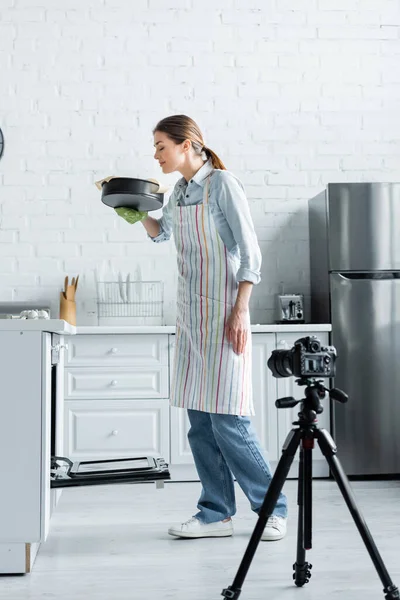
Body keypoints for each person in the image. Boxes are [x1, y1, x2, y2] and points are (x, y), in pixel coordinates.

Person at [141, 114, 288, 540]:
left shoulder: (222, 184)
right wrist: (130, 211)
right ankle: (216, 512)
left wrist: (241, 310)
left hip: (225, 315)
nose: (156, 155)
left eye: (161, 146)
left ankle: (272, 508)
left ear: (187, 144)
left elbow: (249, 252)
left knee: (230, 421)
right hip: (192, 320)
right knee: (200, 423)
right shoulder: (181, 191)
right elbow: (162, 233)